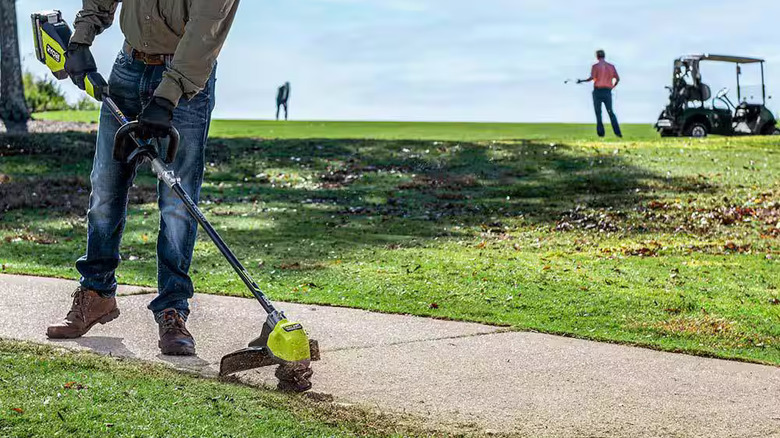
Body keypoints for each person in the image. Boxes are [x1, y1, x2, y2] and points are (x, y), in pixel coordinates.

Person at [46, 0, 240, 357]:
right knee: (105, 189)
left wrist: (167, 97)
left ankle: (172, 309)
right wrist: (79, 42)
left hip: (187, 83)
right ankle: (96, 294)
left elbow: (203, 33)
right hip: (128, 68)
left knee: (177, 204)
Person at [578, 50, 622, 138]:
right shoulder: (611, 66)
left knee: (598, 113)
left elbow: (592, 78)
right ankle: (618, 133)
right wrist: (612, 87)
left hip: (598, 91)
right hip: (607, 91)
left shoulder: (595, 66)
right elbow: (617, 79)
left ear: (597, 56)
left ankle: (601, 134)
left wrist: (581, 80)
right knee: (610, 112)